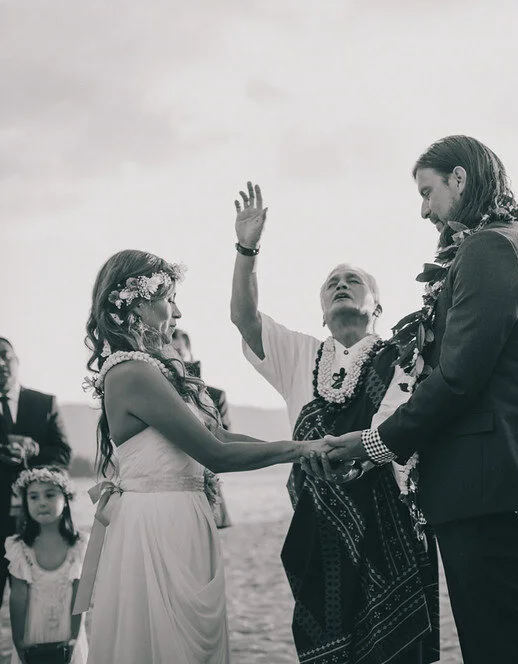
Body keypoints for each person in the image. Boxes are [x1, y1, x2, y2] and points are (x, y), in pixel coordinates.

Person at [322, 136, 518, 664]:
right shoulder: (514, 243)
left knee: (501, 645)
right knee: (507, 640)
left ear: (459, 178)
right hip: (497, 481)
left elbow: (459, 377)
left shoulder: (491, 248)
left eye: (427, 192)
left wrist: (374, 442)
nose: (424, 211)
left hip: (487, 482)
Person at [77, 249, 329, 664]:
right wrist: (300, 450)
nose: (177, 312)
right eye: (169, 298)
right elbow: (216, 455)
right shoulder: (131, 373)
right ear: (137, 304)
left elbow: (221, 436)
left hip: (184, 515)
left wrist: (301, 448)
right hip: (158, 522)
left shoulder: (155, 369)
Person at [231, 183, 439, 664]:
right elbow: (244, 317)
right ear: (322, 313)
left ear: (378, 307)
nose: (341, 284)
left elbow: (402, 431)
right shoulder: (299, 354)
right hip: (319, 529)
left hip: (393, 530)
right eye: (332, 283)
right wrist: (247, 250)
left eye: (353, 280)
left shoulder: (405, 357)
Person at [0, 338, 72, 607]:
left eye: (5, 355)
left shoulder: (44, 403)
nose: (0, 363)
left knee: (36, 605)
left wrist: (31, 452)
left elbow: (63, 453)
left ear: (17, 361)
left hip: (36, 525)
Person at [6, 465, 87, 663]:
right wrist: (19, 641)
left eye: (50, 495)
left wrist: (73, 638)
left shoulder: (78, 545)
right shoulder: (20, 548)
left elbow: (80, 596)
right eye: (33, 497)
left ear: (65, 500)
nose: (42, 503)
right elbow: (17, 597)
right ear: (25, 502)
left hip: (69, 631)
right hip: (32, 633)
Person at [171, 329, 233, 527]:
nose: (176, 357)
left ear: (189, 353)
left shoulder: (214, 395)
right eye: (171, 351)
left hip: (206, 481)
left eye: (179, 352)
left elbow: (224, 439)